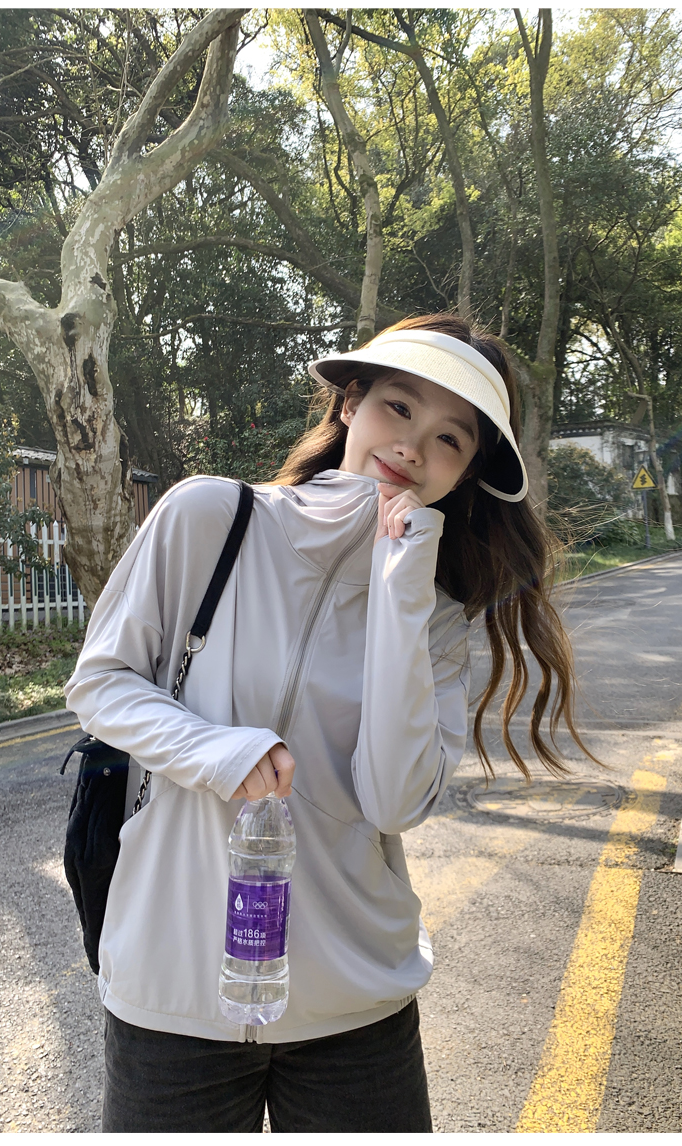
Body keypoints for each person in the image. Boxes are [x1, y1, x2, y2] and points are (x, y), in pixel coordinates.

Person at [64, 313, 594, 1133]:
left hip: (356, 1009)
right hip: (173, 999)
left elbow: (393, 801)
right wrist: (214, 750)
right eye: (398, 407)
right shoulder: (212, 519)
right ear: (350, 404)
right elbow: (101, 681)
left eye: (450, 439)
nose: (413, 446)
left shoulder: (437, 617)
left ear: (466, 472)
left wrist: (402, 586)